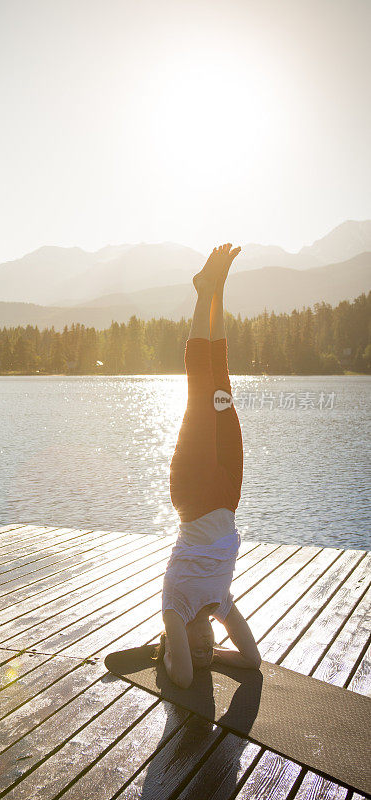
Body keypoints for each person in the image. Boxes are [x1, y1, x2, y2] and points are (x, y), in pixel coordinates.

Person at [155, 243, 261, 689]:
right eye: (206, 652)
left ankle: (203, 292)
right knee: (221, 381)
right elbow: (252, 661)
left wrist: (173, 648)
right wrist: (218, 654)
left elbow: (180, 678)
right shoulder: (220, 602)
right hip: (228, 493)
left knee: (201, 385)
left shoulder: (174, 607)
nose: (202, 651)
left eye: (193, 649)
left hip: (195, 494)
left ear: (172, 639)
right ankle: (219, 288)